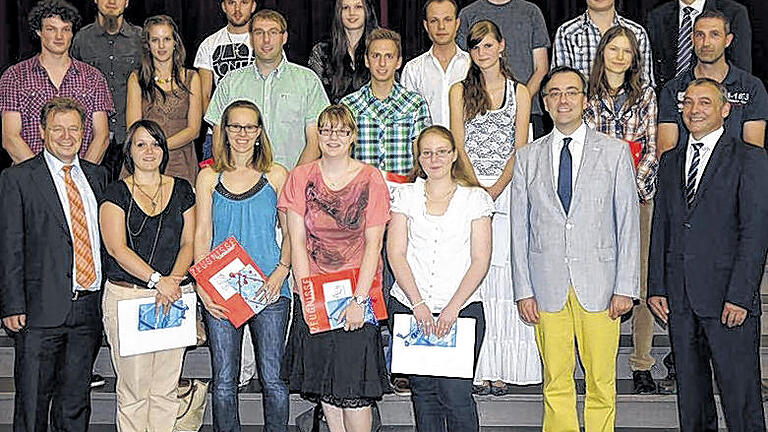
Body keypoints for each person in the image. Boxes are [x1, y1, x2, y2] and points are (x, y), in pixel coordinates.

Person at [510, 67, 639, 431]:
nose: (563, 100)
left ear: (585, 100)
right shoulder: (527, 157)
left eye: (571, 92)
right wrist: (523, 290)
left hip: (600, 286)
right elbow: (519, 229)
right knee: (555, 382)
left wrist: (625, 287)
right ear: (545, 102)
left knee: (601, 382)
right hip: (546, 286)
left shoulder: (614, 153)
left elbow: (628, 223)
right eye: (554, 93)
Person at [648, 78, 768, 432]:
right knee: (692, 402)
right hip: (680, 299)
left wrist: (740, 296)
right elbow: (663, 226)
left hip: (728, 301)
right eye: (688, 102)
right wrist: (657, 286)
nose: (694, 109)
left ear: (725, 110)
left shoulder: (751, 158)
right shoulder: (669, 161)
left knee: (741, 400)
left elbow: (755, 233)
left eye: (704, 102)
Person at [0, 97, 110, 431]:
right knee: (32, 406)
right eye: (58, 129)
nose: (66, 136)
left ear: (84, 132)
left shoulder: (98, 176)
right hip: (38, 311)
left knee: (75, 405)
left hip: (87, 311)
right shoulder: (18, 178)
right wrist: (12, 304)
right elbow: (9, 245)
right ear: (43, 132)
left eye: (74, 128)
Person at [280, 104, 391, 432]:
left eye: (341, 131)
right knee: (327, 386)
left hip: (358, 293)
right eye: (326, 130)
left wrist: (358, 301)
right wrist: (306, 294)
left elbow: (374, 244)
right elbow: (296, 240)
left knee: (354, 390)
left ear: (352, 136)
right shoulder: (300, 177)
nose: (332, 137)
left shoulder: (371, 178)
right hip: (316, 292)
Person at [448, 19, 540, 394]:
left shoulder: (520, 92)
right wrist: (476, 190)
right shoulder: (458, 91)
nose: (482, 53)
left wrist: (497, 189)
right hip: (469, 191)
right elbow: (457, 143)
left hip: (508, 190)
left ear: (502, 46)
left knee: (504, 275)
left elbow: (520, 147)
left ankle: (503, 368)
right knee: (475, 278)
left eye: (488, 45)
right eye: (475, 47)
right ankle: (477, 368)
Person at [387, 125, 492, 431]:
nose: (434, 159)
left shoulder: (475, 199)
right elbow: (396, 254)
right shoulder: (404, 195)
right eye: (427, 152)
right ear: (418, 158)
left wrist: (451, 308)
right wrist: (419, 305)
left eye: (441, 151)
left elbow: (480, 260)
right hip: (410, 307)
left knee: (456, 396)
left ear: (454, 155)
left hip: (461, 309)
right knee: (424, 395)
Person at [194, 99, 291, 431]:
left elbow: (292, 232)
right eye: (235, 126)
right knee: (223, 380)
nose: (242, 134)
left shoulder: (276, 175)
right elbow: (202, 233)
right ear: (224, 130)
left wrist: (282, 271)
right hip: (222, 290)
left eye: (250, 127)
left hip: (270, 288)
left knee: (274, 378)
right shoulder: (208, 177)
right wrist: (201, 286)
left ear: (259, 131)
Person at [99, 120, 195, 432]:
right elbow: (116, 248)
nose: (149, 150)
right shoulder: (114, 192)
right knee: (134, 391)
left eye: (155, 143)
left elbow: (190, 242)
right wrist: (157, 280)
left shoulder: (182, 189)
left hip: (173, 296)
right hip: (129, 298)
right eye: (141, 144)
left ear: (164, 151)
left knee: (166, 388)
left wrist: (172, 282)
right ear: (129, 151)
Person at [583, 25, 659, 395]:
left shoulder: (646, 96)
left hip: (638, 197)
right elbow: (582, 149)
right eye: (613, 49)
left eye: (626, 51)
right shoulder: (585, 96)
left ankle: (642, 363)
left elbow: (652, 148)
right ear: (602, 53)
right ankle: (599, 363)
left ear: (634, 59)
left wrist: (629, 193)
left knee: (639, 283)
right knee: (598, 280)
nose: (619, 56)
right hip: (593, 204)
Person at [205, 9, 330, 168]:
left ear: (284, 37)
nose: (266, 40)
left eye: (273, 32)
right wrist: (234, 180)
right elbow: (218, 138)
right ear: (250, 38)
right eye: (259, 33)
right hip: (242, 186)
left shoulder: (307, 80)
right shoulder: (230, 82)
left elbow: (315, 141)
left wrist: (292, 183)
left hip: (293, 182)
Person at [0, 0, 113, 165]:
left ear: (72, 33)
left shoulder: (93, 78)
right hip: (29, 181)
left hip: (80, 179)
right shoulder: (15, 77)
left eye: (65, 29)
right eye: (51, 29)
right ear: (38, 31)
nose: (59, 37)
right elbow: (10, 138)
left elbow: (101, 137)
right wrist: (42, 178)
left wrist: (81, 177)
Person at [657, 10, 767, 154]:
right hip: (686, 173)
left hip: (734, 174)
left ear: (727, 40)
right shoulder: (673, 89)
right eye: (700, 35)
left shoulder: (751, 87)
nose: (706, 42)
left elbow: (753, 151)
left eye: (714, 34)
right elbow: (666, 150)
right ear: (692, 39)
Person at [340, 28, 431, 175]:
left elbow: (423, 156)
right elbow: (340, 157)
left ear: (398, 61)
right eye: (376, 56)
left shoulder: (415, 104)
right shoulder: (349, 105)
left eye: (389, 56)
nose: (382, 63)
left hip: (404, 190)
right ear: (366, 60)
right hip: (362, 191)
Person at [456, 0, 550, 139]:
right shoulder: (468, 14)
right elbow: (462, 63)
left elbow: (541, 68)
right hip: (477, 112)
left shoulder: (531, 12)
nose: (481, 52)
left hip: (528, 113)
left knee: (523, 159)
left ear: (501, 45)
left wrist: (516, 104)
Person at [126, 15, 201, 185]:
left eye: (166, 39)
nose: (161, 46)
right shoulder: (136, 78)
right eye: (155, 40)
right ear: (148, 45)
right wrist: (150, 150)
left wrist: (160, 147)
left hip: (181, 162)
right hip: (145, 161)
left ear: (175, 42)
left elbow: (194, 129)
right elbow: (134, 127)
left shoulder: (191, 77)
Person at [71, 0, 141, 180]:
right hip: (92, 139)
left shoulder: (141, 39)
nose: (112, 1)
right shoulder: (80, 39)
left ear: (127, 2)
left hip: (131, 137)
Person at [194, 0, 257, 160]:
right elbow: (204, 96)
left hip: (256, 135)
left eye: (244, 2)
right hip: (218, 134)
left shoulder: (264, 42)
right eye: (231, 2)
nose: (237, 8)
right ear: (223, 6)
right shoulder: (209, 44)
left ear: (253, 6)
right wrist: (223, 129)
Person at [646, 0, 752, 89]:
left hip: (717, 100)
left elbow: (741, 67)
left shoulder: (733, 12)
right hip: (669, 101)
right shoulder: (657, 15)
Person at [552, 0, 655, 89]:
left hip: (630, 109)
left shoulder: (637, 33)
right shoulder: (567, 33)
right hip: (581, 109)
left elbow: (644, 84)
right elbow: (562, 84)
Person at [401, 0, 469, 129]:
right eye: (434, 21)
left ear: (457, 23)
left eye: (447, 19)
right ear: (426, 26)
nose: (441, 26)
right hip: (427, 148)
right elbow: (407, 119)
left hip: (467, 147)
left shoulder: (472, 65)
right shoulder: (413, 69)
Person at [308, 0, 378, 104]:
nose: (351, 13)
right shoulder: (321, 52)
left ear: (367, 11)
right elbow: (314, 97)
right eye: (345, 8)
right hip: (331, 117)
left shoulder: (380, 50)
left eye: (358, 7)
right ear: (338, 12)